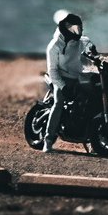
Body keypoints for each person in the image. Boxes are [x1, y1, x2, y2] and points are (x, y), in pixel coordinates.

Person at [42, 10, 96, 152]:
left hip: (77, 77)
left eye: (80, 29)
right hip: (61, 78)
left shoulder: (80, 41)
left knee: (91, 101)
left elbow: (87, 43)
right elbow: (53, 71)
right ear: (67, 28)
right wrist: (62, 86)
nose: (78, 32)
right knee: (58, 103)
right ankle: (48, 140)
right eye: (75, 29)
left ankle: (92, 139)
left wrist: (93, 50)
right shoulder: (54, 45)